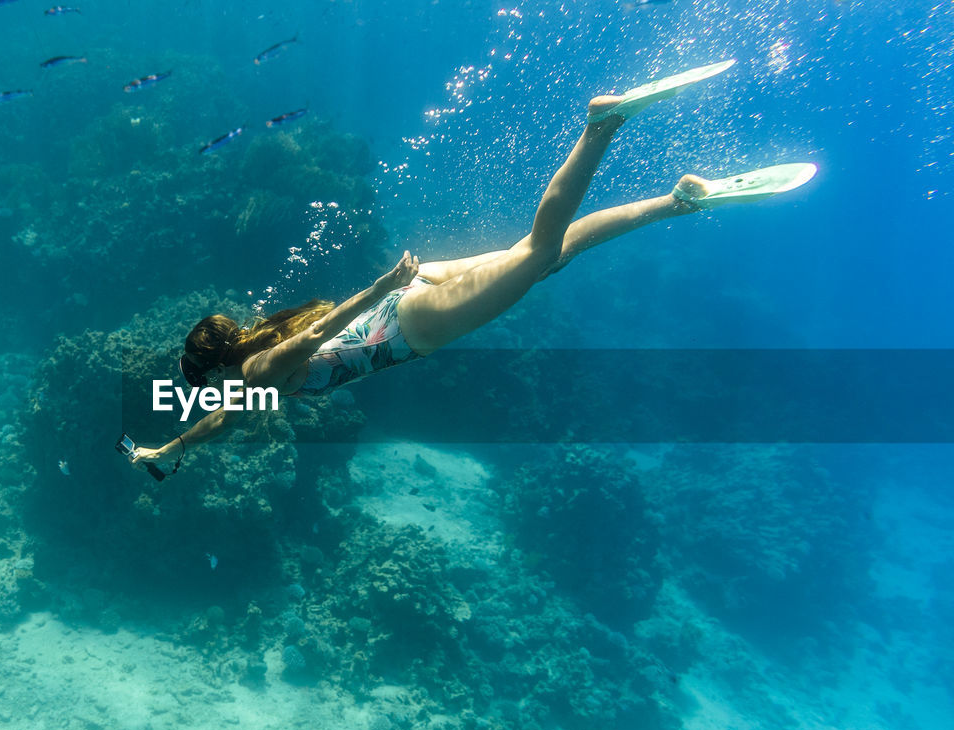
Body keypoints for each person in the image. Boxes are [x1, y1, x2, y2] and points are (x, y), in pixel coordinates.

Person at [132, 60, 816, 472]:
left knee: (539, 250)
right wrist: (170, 451)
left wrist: (384, 285)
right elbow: (217, 423)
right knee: (554, 255)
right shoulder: (256, 366)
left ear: (218, 368)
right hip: (407, 300)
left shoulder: (258, 372)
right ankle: (678, 200)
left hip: (410, 320)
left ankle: (601, 124)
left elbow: (312, 344)